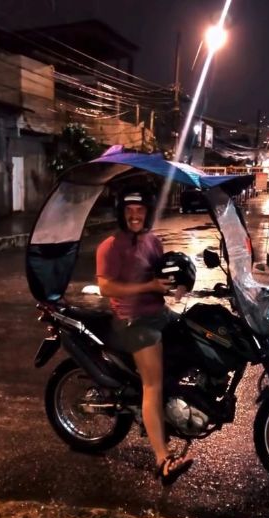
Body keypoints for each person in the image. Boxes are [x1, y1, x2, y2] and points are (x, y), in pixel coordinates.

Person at [95, 186, 193, 485]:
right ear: (121, 213)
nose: (134, 215)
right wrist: (148, 288)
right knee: (153, 384)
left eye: (139, 211)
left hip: (158, 313)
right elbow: (107, 288)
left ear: (147, 213)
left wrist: (178, 287)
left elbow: (163, 277)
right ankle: (162, 460)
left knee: (196, 337)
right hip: (132, 320)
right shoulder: (110, 246)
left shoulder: (153, 241)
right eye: (129, 211)